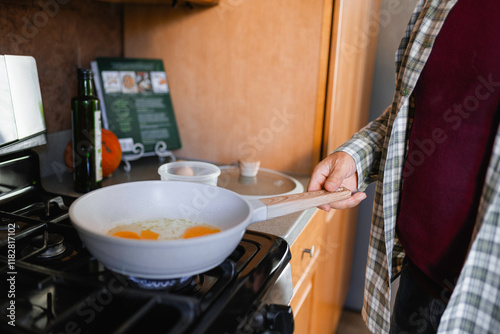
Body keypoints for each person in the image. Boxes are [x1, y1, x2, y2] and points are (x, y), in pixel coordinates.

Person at [308, 0, 500, 333]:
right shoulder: (439, 4)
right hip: (419, 281)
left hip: (484, 309)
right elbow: (410, 112)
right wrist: (356, 155)